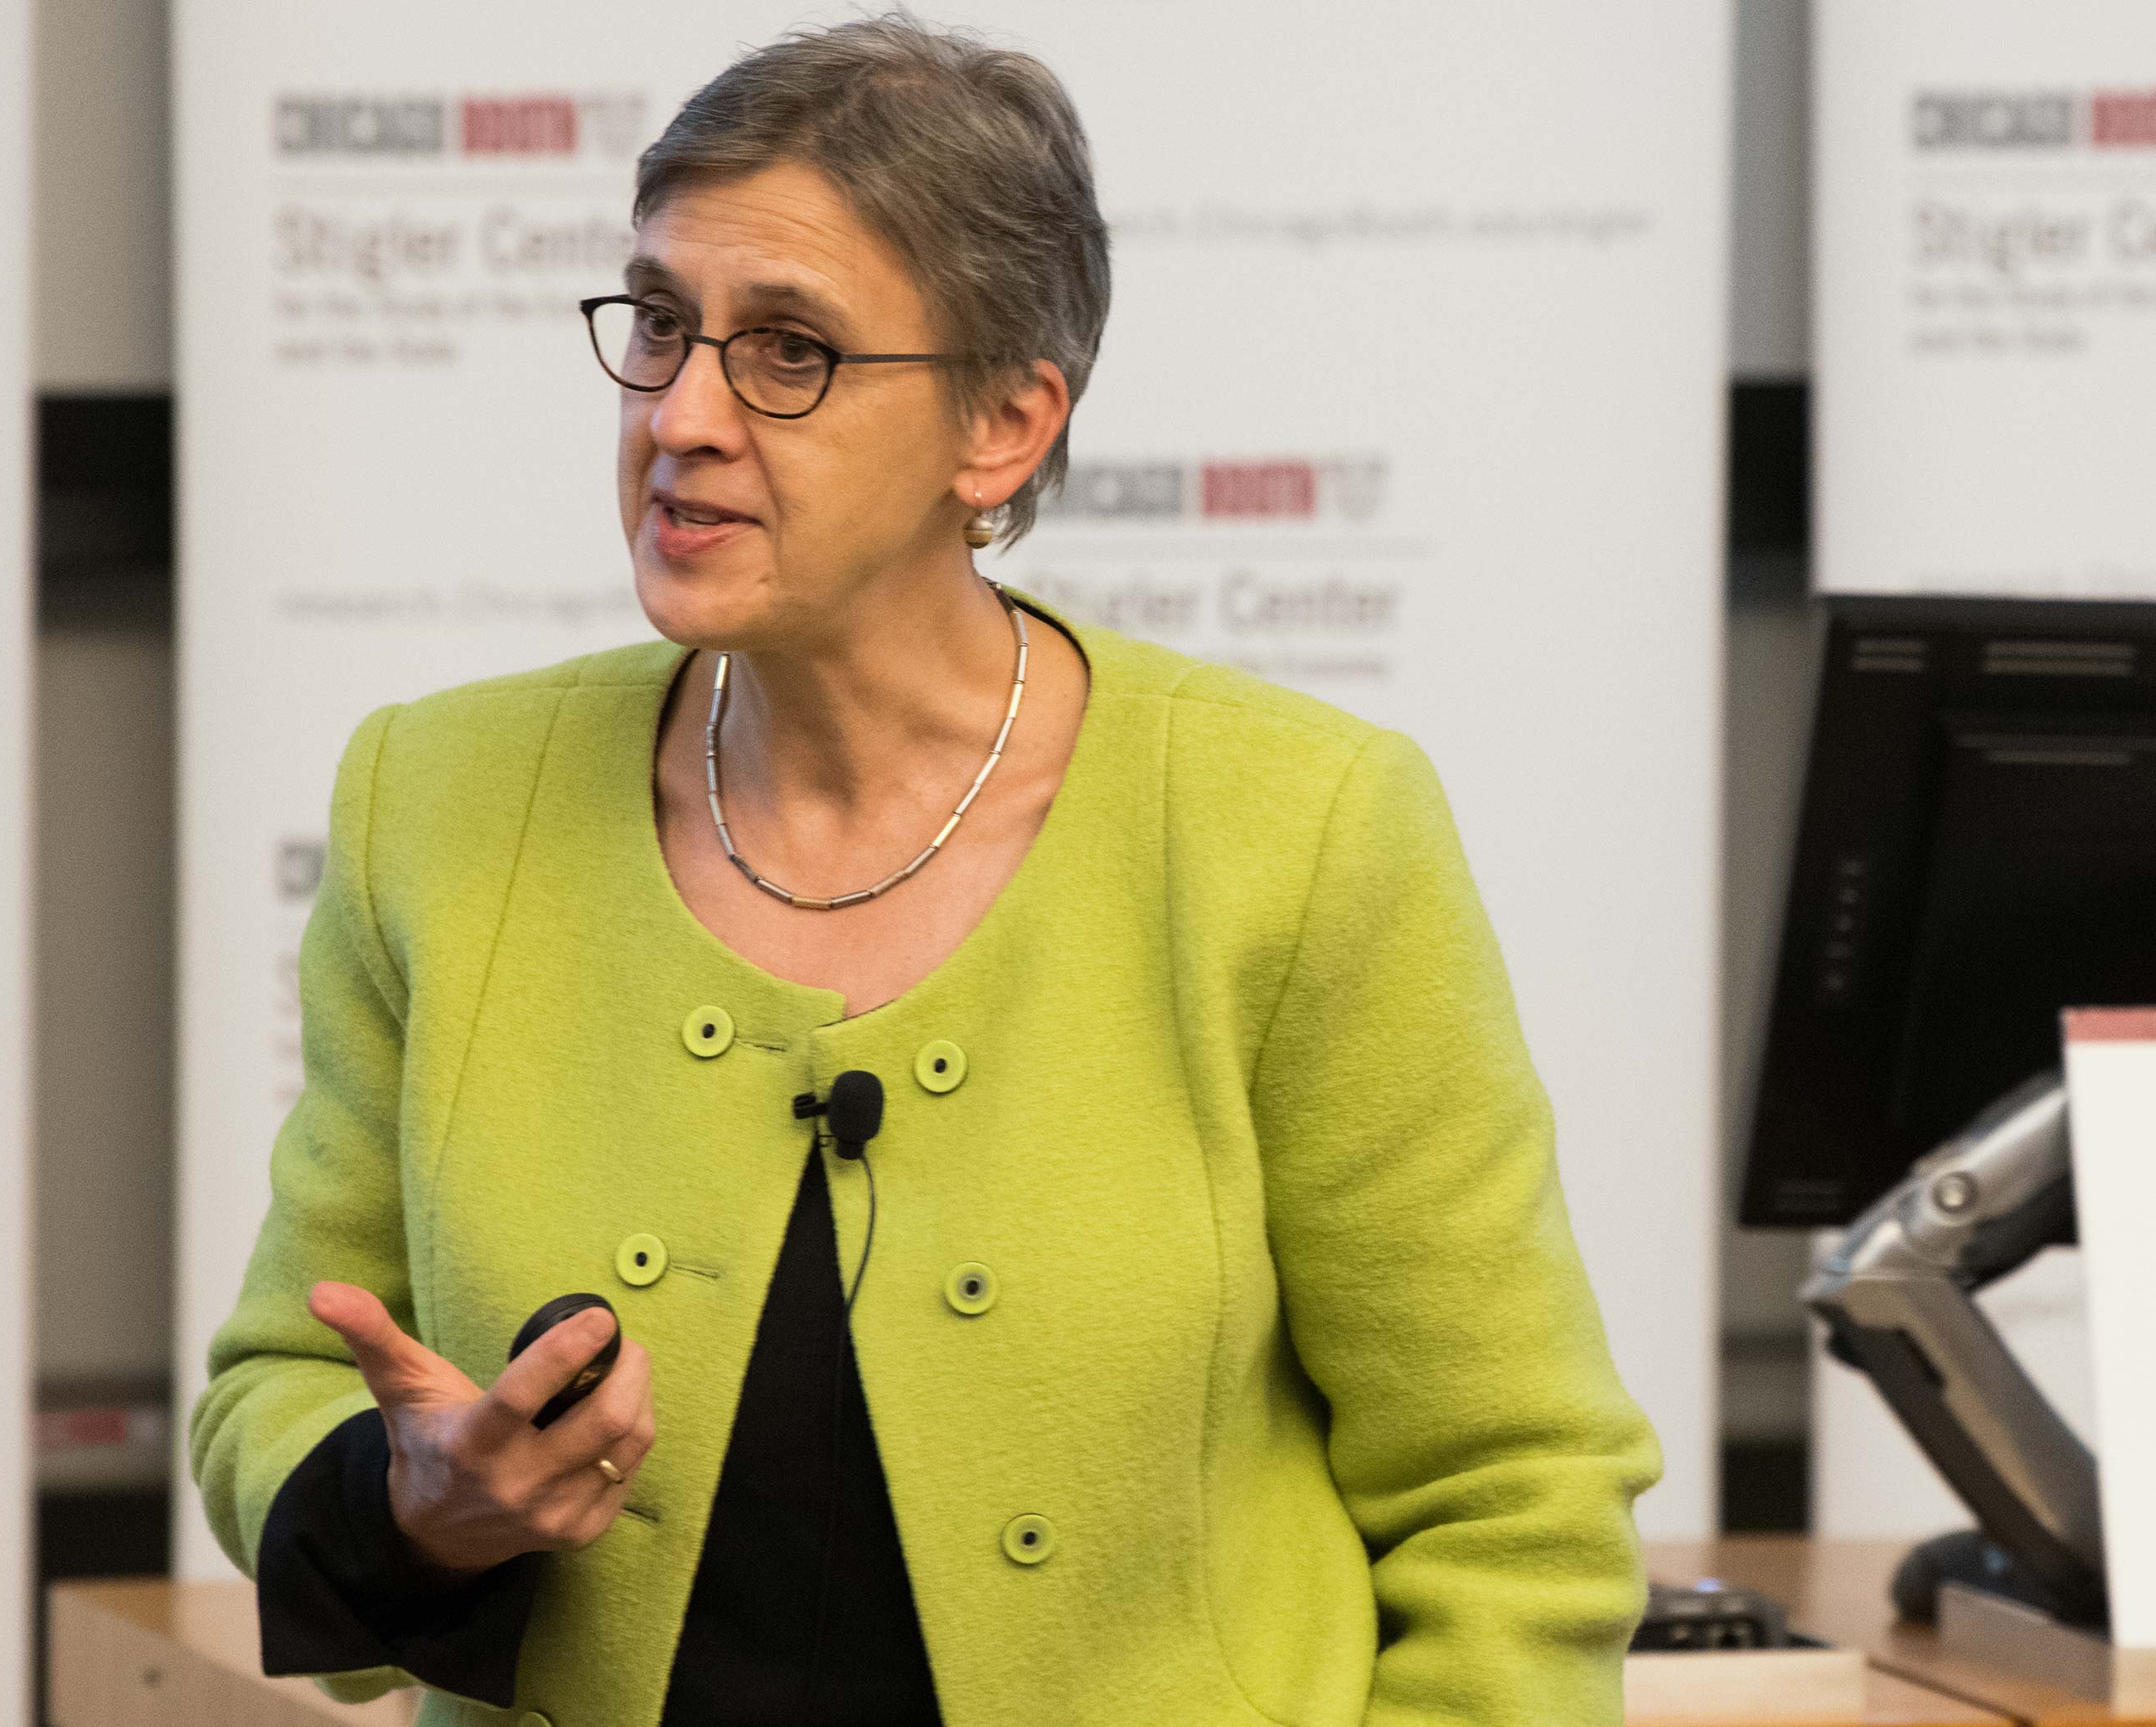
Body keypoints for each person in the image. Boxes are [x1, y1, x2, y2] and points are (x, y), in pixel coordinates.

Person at [186, 16, 1660, 1727]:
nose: (682, 416)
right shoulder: (435, 802)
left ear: (1004, 424)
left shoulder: (1297, 831)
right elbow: (280, 1383)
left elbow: (1512, 1498)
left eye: (790, 352)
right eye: (659, 323)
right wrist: (414, 1503)